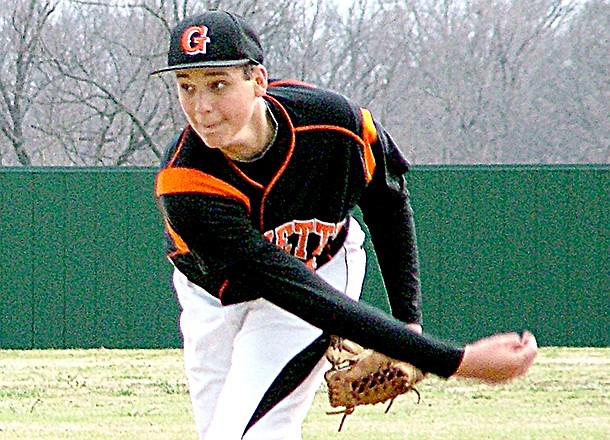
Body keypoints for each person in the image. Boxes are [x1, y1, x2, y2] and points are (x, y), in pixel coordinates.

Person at [151, 10, 537, 440]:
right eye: (187, 87)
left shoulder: (335, 125)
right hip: (215, 298)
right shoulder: (186, 183)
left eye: (218, 84)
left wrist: (408, 325)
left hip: (323, 267)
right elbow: (293, 289)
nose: (201, 106)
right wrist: (453, 360)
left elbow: (388, 204)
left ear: (258, 80)